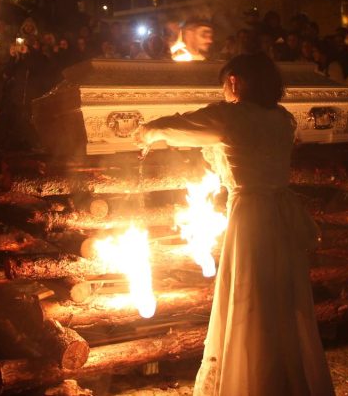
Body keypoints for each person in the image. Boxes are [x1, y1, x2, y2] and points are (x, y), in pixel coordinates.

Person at [135, 54, 334, 395]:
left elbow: (181, 124)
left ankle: (255, 381)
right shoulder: (282, 118)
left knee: (250, 295)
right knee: (281, 298)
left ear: (234, 81)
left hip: (251, 216)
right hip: (282, 214)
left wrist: (145, 132)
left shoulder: (231, 116)